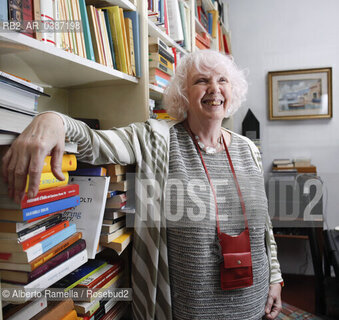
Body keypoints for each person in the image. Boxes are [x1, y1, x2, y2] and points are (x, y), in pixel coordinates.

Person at [2, 50, 283, 320]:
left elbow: (264, 226)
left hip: (252, 303)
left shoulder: (248, 149)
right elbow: (96, 144)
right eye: (201, 80)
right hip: (188, 309)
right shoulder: (155, 138)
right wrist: (52, 120)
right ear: (184, 94)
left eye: (222, 80)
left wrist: (275, 277)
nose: (214, 88)